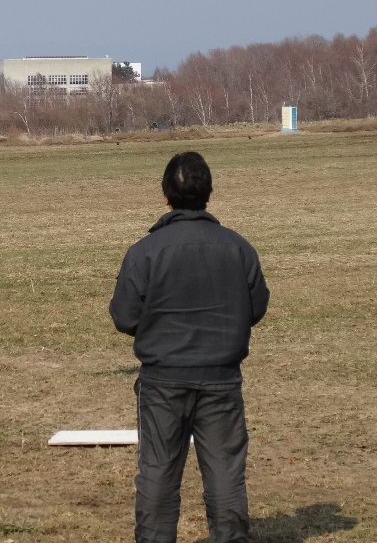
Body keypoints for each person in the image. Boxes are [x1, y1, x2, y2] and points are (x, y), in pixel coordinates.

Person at [110, 151, 270, 543]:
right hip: (221, 378)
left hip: (163, 381)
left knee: (158, 471)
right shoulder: (238, 248)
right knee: (225, 472)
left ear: (166, 195)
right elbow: (255, 307)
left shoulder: (144, 252)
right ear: (208, 193)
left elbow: (125, 316)